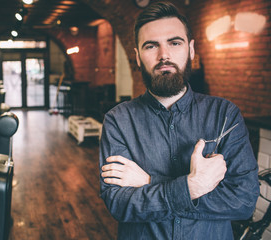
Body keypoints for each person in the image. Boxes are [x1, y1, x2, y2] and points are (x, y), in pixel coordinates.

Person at [99, 1, 259, 239]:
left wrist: (151, 181)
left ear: (191, 49)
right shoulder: (118, 120)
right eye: (151, 46)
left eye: (175, 43)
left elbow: (244, 201)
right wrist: (194, 185)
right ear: (138, 57)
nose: (164, 55)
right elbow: (119, 204)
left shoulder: (225, 114)